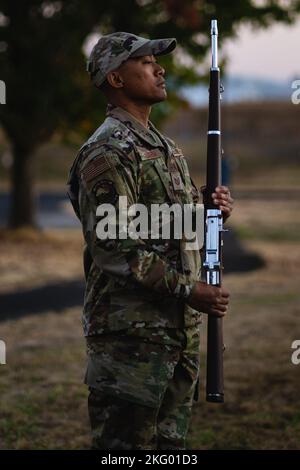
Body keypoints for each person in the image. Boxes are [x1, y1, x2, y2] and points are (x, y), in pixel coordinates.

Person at [67, 32, 233, 450]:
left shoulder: (166, 148)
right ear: (116, 78)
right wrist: (188, 288)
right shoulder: (107, 151)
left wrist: (207, 213)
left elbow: (167, 229)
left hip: (176, 336)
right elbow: (114, 247)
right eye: (145, 61)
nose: (160, 69)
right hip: (131, 345)